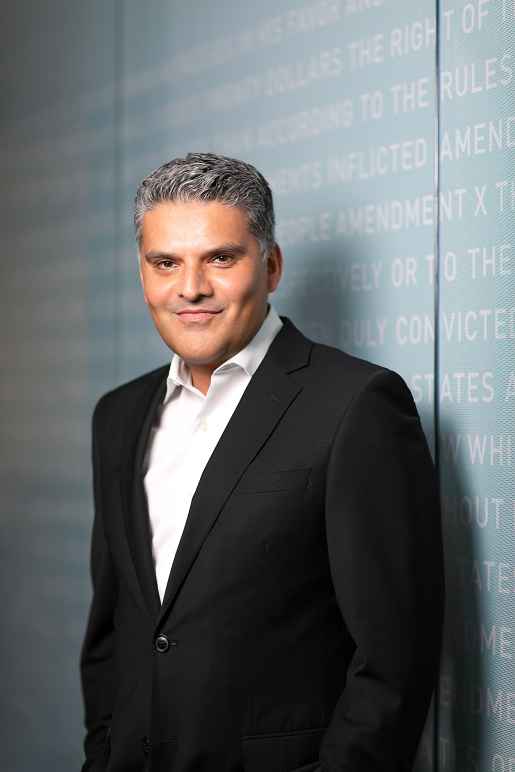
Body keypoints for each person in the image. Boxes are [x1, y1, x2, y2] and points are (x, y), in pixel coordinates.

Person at [80, 152, 444, 772]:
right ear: (143, 275)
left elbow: (393, 663)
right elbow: (116, 631)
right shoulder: (117, 416)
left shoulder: (357, 405)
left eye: (220, 258)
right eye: (165, 262)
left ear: (271, 266)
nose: (190, 287)